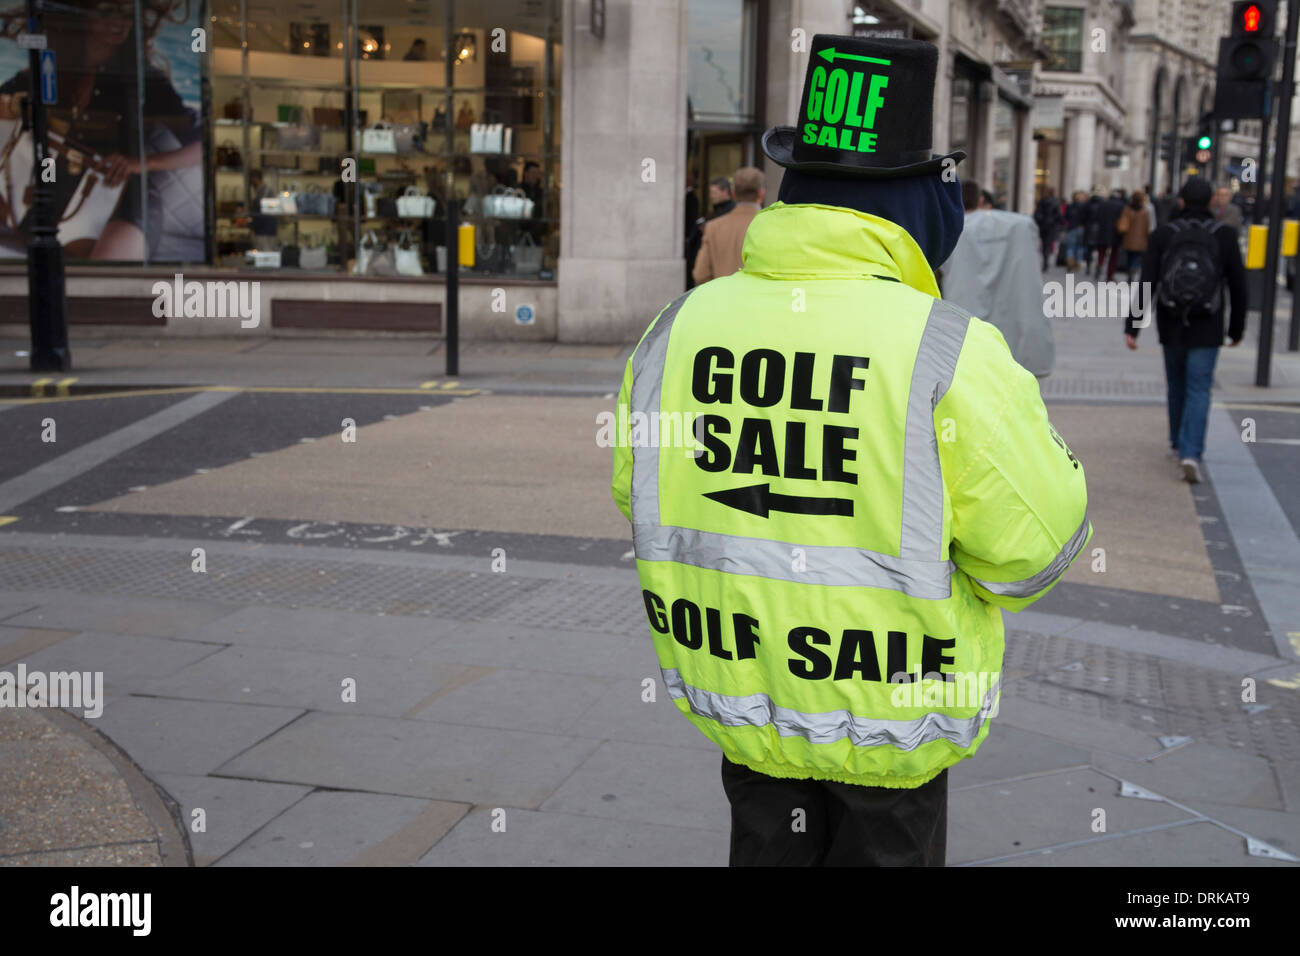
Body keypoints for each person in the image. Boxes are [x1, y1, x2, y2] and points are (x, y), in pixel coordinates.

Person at [611, 34, 1091, 867]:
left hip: (748, 712)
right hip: (888, 737)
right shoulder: (950, 351)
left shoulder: (673, 332)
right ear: (911, 209)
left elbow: (642, 494)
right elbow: (1032, 554)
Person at [0, 0, 202, 260]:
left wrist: (139, 163)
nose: (118, 22)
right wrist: (20, 105)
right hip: (52, 183)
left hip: (124, 194)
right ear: (83, 18)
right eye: (106, 12)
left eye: (127, 15)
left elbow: (202, 147)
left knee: (113, 273)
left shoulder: (144, 79)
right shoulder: (53, 67)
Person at [1124, 176, 1247, 484]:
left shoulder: (1164, 234)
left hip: (1171, 320)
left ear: (1180, 202)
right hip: (1208, 323)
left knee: (1177, 383)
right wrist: (1237, 329)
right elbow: (1239, 286)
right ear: (1211, 202)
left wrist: (1133, 327)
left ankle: (1178, 444)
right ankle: (1192, 452)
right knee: (1199, 387)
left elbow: (1147, 282)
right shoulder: (1225, 235)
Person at [942, 179, 1054, 376]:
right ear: (980, 199)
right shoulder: (1019, 225)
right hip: (1014, 331)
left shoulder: (949, 231)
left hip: (965, 328)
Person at [691, 165, 764, 285]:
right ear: (761, 193)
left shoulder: (713, 227)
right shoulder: (773, 225)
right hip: (760, 301)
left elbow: (700, 274)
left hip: (723, 300)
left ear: (734, 194)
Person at [1116, 189, 1150, 278]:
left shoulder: (1127, 209)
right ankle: (1133, 269)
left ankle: (1129, 270)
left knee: (1129, 256)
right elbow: (1147, 226)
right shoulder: (1145, 212)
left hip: (1129, 238)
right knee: (1136, 257)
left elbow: (1123, 223)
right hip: (1140, 239)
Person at [1033, 187, 1064, 271]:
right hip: (1052, 226)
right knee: (1048, 243)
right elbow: (1059, 215)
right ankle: (1046, 261)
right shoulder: (1056, 201)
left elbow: (1037, 214)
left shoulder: (1042, 201)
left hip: (1043, 225)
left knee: (1044, 244)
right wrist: (1061, 224)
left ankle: (1045, 261)